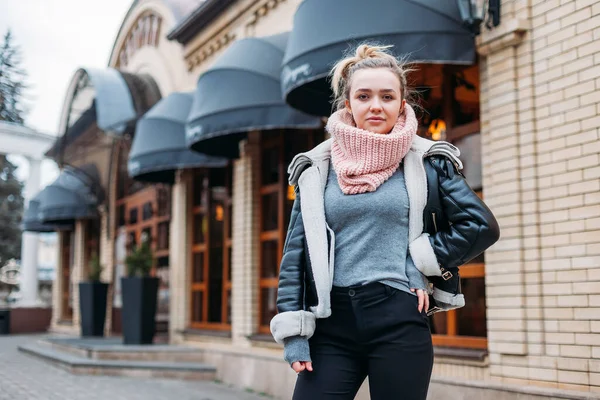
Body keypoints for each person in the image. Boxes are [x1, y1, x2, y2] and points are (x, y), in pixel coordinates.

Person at [270, 43, 500, 400]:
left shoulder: (428, 161)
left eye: (387, 96)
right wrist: (295, 333)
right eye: (364, 96)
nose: (375, 105)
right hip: (332, 324)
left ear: (401, 104)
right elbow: (295, 256)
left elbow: (479, 224)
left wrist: (418, 262)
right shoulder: (315, 169)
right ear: (348, 105)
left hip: (398, 317)